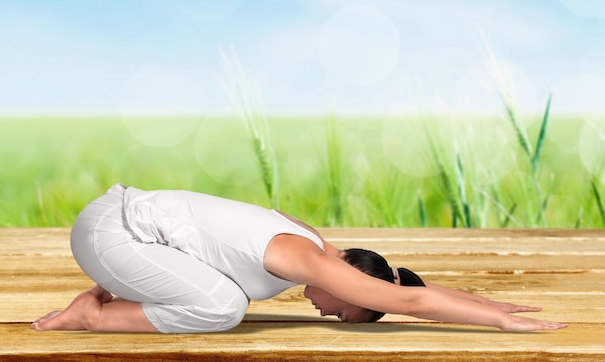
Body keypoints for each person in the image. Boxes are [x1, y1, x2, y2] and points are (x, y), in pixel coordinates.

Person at [30, 184, 568, 333]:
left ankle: (104, 294)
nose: (333, 314)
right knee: (222, 307)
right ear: (351, 279)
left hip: (119, 228)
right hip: (111, 232)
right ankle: (93, 315)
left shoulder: (310, 243)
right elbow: (409, 299)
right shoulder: (304, 257)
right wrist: (494, 319)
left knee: (225, 291)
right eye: (350, 307)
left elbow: (408, 286)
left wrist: (485, 299)